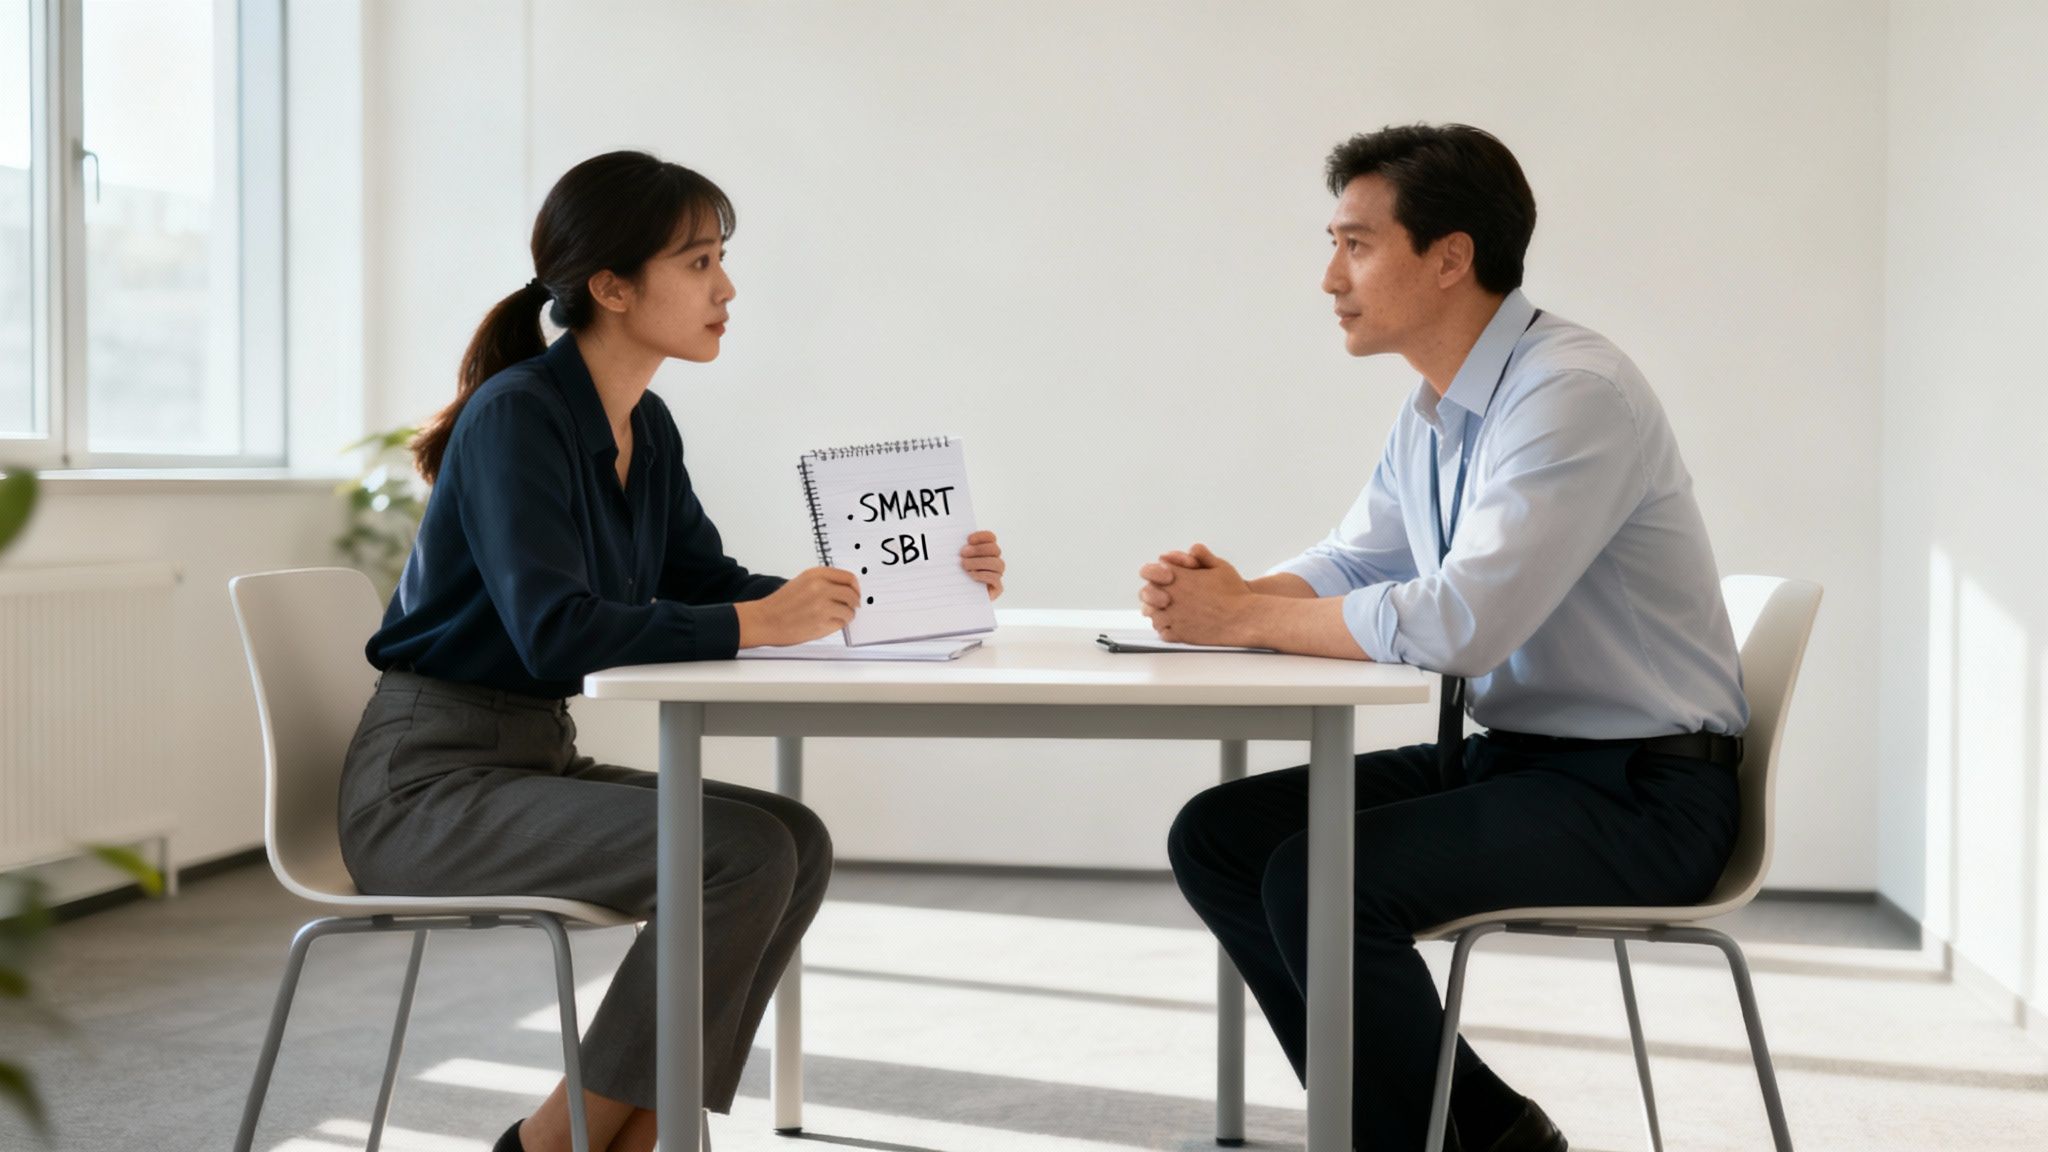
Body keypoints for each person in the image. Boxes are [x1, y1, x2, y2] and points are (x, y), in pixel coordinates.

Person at [336, 151, 1008, 1152]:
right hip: (425, 788)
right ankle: (548, 1145)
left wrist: (906, 587)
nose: (725, 288)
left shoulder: (642, 424)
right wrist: (758, 622)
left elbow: (708, 583)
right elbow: (556, 631)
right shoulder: (517, 415)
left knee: (794, 841)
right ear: (612, 287)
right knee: (736, 853)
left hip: (526, 760)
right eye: (698, 263)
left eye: (720, 259)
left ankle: (626, 1142)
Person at [1147, 124, 1747, 1151]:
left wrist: (1241, 617)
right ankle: (1483, 1130)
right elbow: (1357, 559)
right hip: (1519, 763)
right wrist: (1238, 592)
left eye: (1356, 245)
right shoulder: (1437, 407)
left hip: (1644, 797)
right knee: (1219, 838)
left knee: (1320, 879)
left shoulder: (1571, 393)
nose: (1329, 277)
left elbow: (1463, 623)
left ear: (1450, 257)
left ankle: (1417, 1138)